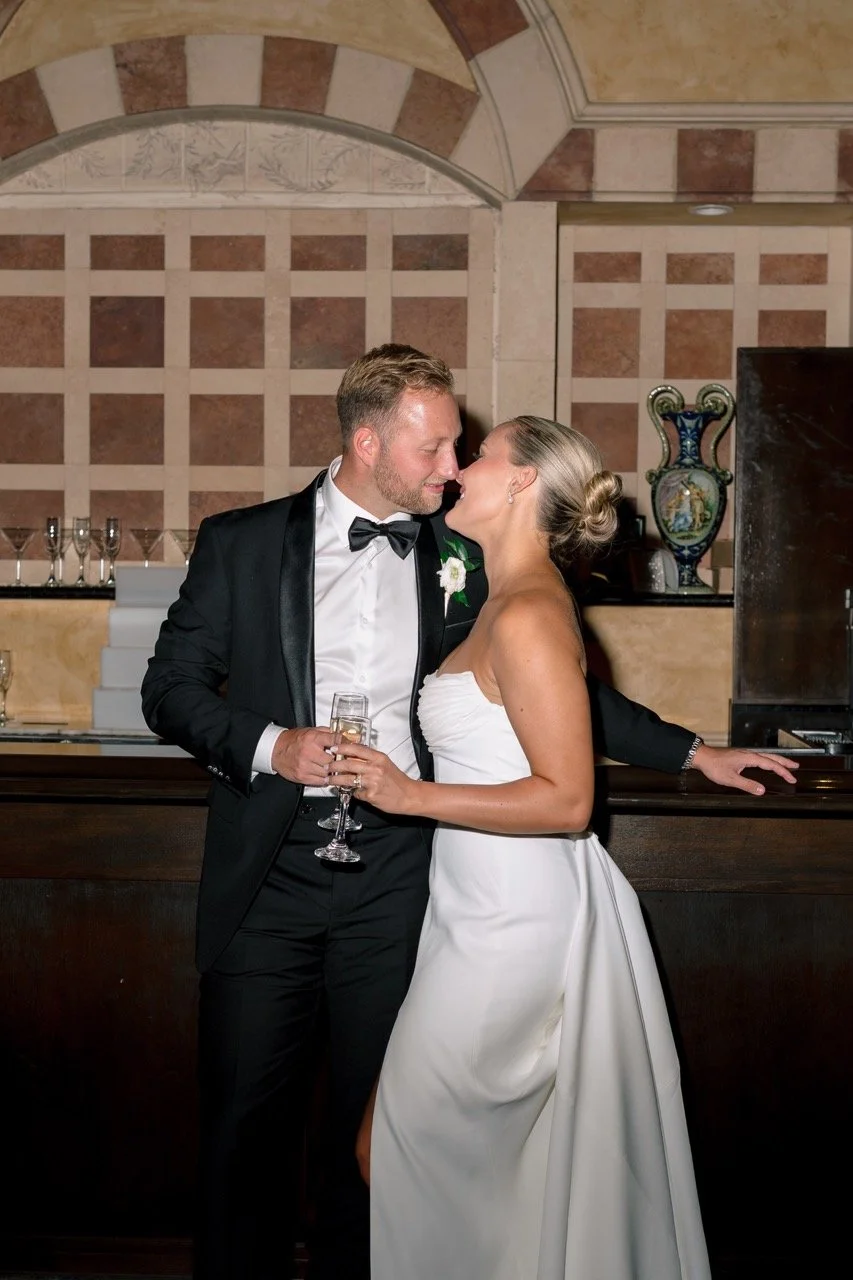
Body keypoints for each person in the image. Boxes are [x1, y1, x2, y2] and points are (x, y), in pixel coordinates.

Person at [140, 345, 795, 1280]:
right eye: (438, 446)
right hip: (269, 878)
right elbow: (168, 691)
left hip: (410, 879)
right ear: (369, 440)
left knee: (380, 1142)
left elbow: (554, 691)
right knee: (243, 1125)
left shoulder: (467, 553)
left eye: (463, 451)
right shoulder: (240, 543)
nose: (452, 467)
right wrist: (272, 747)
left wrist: (689, 749)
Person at [334, 415, 711, 1278]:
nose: (460, 467)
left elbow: (569, 798)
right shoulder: (505, 603)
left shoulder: (532, 614)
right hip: (471, 913)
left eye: (480, 455)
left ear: (518, 485)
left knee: (396, 1149)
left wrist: (408, 793)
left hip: (512, 924)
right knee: (435, 1156)